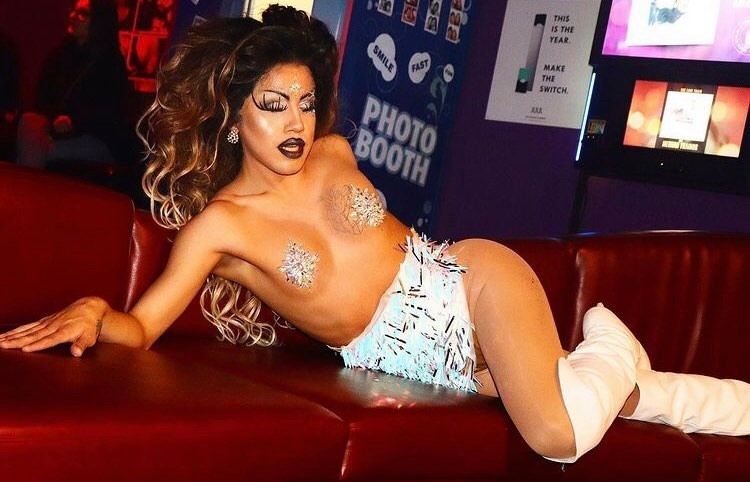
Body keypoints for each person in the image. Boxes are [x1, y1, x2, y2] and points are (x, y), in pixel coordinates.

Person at [1, 6, 748, 464]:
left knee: (555, 436)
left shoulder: (333, 152)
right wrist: (98, 313)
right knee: (619, 405)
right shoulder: (221, 227)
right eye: (273, 105)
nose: (296, 123)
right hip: (432, 366)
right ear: (232, 116)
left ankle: (610, 342)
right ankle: (708, 396)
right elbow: (143, 326)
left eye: (305, 102)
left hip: (474, 284)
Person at [15, 0, 134, 168]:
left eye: (83, 14)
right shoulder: (59, 56)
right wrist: (51, 120)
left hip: (96, 138)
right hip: (54, 133)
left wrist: (74, 122)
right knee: (29, 122)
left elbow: (110, 114)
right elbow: (42, 101)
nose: (73, 16)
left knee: (35, 151)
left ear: (99, 20)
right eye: (73, 11)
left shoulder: (110, 62)